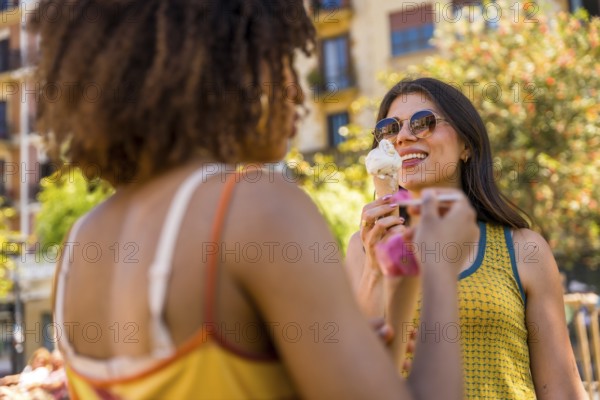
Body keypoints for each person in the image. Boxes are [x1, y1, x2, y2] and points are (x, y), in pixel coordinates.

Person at [31, 1, 476, 399]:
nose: (299, 95)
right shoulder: (255, 207)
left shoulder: (80, 241)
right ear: (236, 69)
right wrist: (437, 266)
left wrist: (394, 284)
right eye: (282, 62)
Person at [346, 77, 587, 399]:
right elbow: (353, 380)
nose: (403, 136)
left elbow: (562, 390)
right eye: (390, 128)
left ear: (466, 145)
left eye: (423, 123)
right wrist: (376, 272)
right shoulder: (363, 249)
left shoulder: (524, 249)